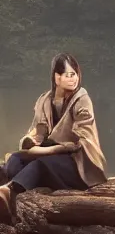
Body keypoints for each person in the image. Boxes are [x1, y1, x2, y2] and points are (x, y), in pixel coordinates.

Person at [0, 53, 107, 220]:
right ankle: (17, 191)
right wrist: (31, 142)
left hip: (77, 163)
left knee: (40, 164)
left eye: (75, 75)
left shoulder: (82, 99)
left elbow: (79, 142)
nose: (74, 79)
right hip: (50, 156)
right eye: (68, 75)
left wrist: (45, 151)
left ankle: (9, 193)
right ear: (57, 78)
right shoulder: (45, 100)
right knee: (15, 159)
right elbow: (37, 132)